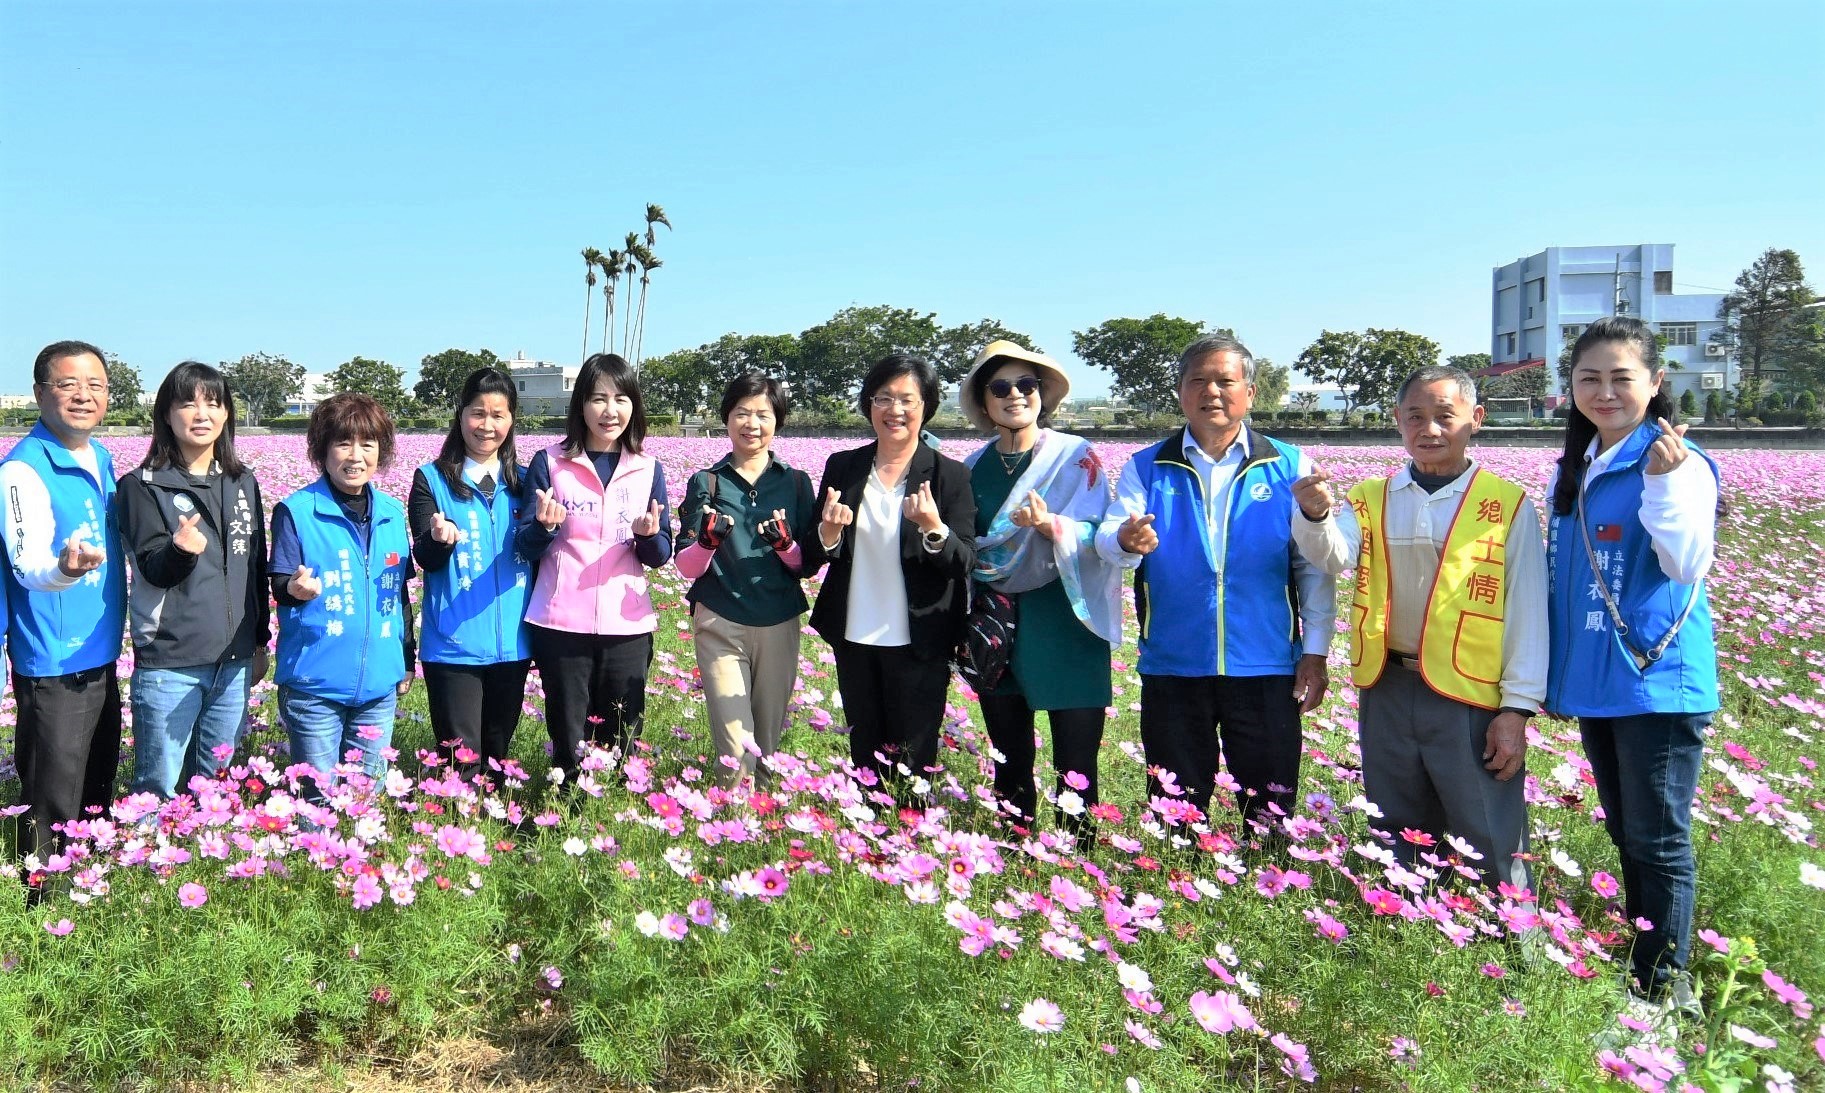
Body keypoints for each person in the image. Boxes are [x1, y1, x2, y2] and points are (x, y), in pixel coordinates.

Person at [1301, 365, 1545, 890]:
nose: (1429, 430)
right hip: (1388, 682)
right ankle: (1405, 925)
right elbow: (1333, 556)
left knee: (1486, 823)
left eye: (1444, 417)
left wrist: (1517, 708)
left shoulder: (1505, 504)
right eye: (1415, 417)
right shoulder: (1372, 498)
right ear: (1398, 422)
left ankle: (1513, 941)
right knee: (1394, 820)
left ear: (1475, 420)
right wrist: (1315, 515)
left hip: (1470, 692)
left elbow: (1527, 609)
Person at [1546, 315, 1720, 1027]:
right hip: (1605, 683)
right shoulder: (1583, 463)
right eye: (1589, 377)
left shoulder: (1677, 462)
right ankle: (1646, 970)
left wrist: (1665, 487)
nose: (1604, 390)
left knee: (1657, 837)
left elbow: (1684, 562)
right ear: (1571, 389)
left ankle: (1662, 990)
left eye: (1622, 377)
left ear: (1654, 384)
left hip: (1656, 682)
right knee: (1629, 832)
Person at [1105, 333, 1338, 835]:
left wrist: (1315, 652)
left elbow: (1313, 570)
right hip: (1173, 661)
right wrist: (1125, 540)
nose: (1212, 391)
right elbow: (1111, 538)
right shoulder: (1146, 467)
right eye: (1198, 381)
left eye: (1225, 381)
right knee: (1175, 802)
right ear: (1181, 393)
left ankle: (1273, 885)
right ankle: (1177, 880)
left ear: (1250, 393)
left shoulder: (1289, 466)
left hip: (1266, 662)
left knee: (1271, 804)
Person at [958, 341, 1125, 830]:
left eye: (1026, 385)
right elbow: (970, 545)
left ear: (1041, 395)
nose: (1016, 395)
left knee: (1076, 758)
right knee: (1008, 753)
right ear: (985, 402)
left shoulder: (1076, 458)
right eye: (1001, 387)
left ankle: (1078, 853)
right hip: (997, 621)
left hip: (1067, 616)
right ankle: (1015, 848)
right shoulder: (970, 468)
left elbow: (1102, 535)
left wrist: (1052, 524)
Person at [810, 354, 975, 795]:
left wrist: (933, 529)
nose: (894, 410)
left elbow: (965, 560)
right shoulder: (843, 467)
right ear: (869, 406)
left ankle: (910, 836)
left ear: (927, 407)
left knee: (914, 754)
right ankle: (868, 835)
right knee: (865, 750)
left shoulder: (948, 475)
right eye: (883, 398)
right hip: (855, 633)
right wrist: (828, 533)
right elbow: (815, 549)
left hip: (919, 636)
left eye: (907, 399)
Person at [2, 341, 127, 870]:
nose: (83, 396)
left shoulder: (99, 455)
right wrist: (64, 570)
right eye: (68, 384)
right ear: (39, 393)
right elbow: (26, 564)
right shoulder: (23, 470)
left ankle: (89, 887)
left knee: (96, 780)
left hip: (100, 650)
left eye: (95, 385)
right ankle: (39, 898)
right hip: (54, 659)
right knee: (53, 794)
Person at [118, 362, 270, 800]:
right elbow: (152, 567)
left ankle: (206, 861)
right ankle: (147, 866)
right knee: (158, 784)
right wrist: (180, 551)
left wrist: (258, 642)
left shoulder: (243, 482)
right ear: (166, 414)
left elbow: (254, 567)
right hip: (172, 659)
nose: (201, 414)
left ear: (226, 416)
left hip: (235, 657)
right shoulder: (143, 486)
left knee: (218, 782)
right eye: (187, 403)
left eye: (213, 403)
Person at [518, 353, 673, 779]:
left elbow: (661, 555)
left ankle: (610, 814)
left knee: (622, 730)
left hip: (627, 624)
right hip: (561, 621)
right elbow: (525, 544)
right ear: (581, 405)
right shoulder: (550, 462)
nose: (610, 411)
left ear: (634, 407)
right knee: (568, 731)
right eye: (599, 398)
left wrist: (646, 535)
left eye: (621, 399)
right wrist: (546, 528)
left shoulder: (647, 467)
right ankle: (566, 807)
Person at [674, 373, 820, 788]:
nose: (751, 423)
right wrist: (707, 541)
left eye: (763, 414)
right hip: (720, 620)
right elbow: (686, 566)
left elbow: (804, 566)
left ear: (778, 421)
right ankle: (730, 823)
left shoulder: (794, 483)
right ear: (726, 418)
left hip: (778, 619)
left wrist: (787, 545)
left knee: (766, 743)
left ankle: (762, 829)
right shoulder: (708, 481)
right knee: (736, 746)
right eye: (742, 412)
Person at [269, 392, 415, 804]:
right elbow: (281, 582)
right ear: (322, 450)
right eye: (342, 443)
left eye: (367, 444)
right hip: (315, 686)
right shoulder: (296, 511)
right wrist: (294, 591)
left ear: (380, 452)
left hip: (378, 688)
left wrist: (407, 661)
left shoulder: (391, 512)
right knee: (318, 802)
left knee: (364, 801)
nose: (355, 456)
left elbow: (398, 593)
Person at [408, 367, 533, 782]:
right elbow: (425, 556)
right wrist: (440, 540)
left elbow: (537, 548)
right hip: (453, 644)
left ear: (512, 419)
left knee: (497, 757)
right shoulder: (431, 479)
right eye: (478, 413)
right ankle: (457, 841)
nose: (487, 425)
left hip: (513, 642)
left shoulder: (527, 483)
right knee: (461, 763)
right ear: (460, 416)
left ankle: (493, 834)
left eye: (498, 414)